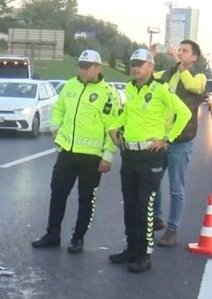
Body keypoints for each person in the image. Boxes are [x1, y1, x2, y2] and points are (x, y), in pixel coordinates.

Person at [108, 48, 191, 273]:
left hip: (150, 156)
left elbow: (184, 113)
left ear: (151, 67)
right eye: (133, 64)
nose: (135, 68)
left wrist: (167, 139)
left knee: (145, 207)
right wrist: (114, 126)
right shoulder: (130, 88)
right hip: (129, 154)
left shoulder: (160, 89)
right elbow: (128, 114)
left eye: (140, 64)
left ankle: (144, 255)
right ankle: (131, 248)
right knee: (130, 205)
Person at [31, 49, 120, 254]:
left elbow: (113, 127)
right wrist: (55, 127)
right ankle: (52, 234)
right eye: (80, 66)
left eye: (86, 67)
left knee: (86, 198)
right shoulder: (70, 85)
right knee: (57, 193)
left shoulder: (108, 93)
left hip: (92, 156)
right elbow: (59, 108)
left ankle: (78, 238)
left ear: (98, 68)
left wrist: (108, 156)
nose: (82, 70)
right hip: (67, 152)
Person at [152, 39, 206, 246]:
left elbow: (193, 86)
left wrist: (178, 63)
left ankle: (172, 230)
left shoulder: (198, 77)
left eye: (185, 51)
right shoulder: (167, 74)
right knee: (153, 182)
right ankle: (156, 217)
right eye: (179, 50)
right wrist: (149, 55)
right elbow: (148, 77)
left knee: (176, 188)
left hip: (180, 141)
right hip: (160, 139)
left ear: (195, 57)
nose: (180, 53)